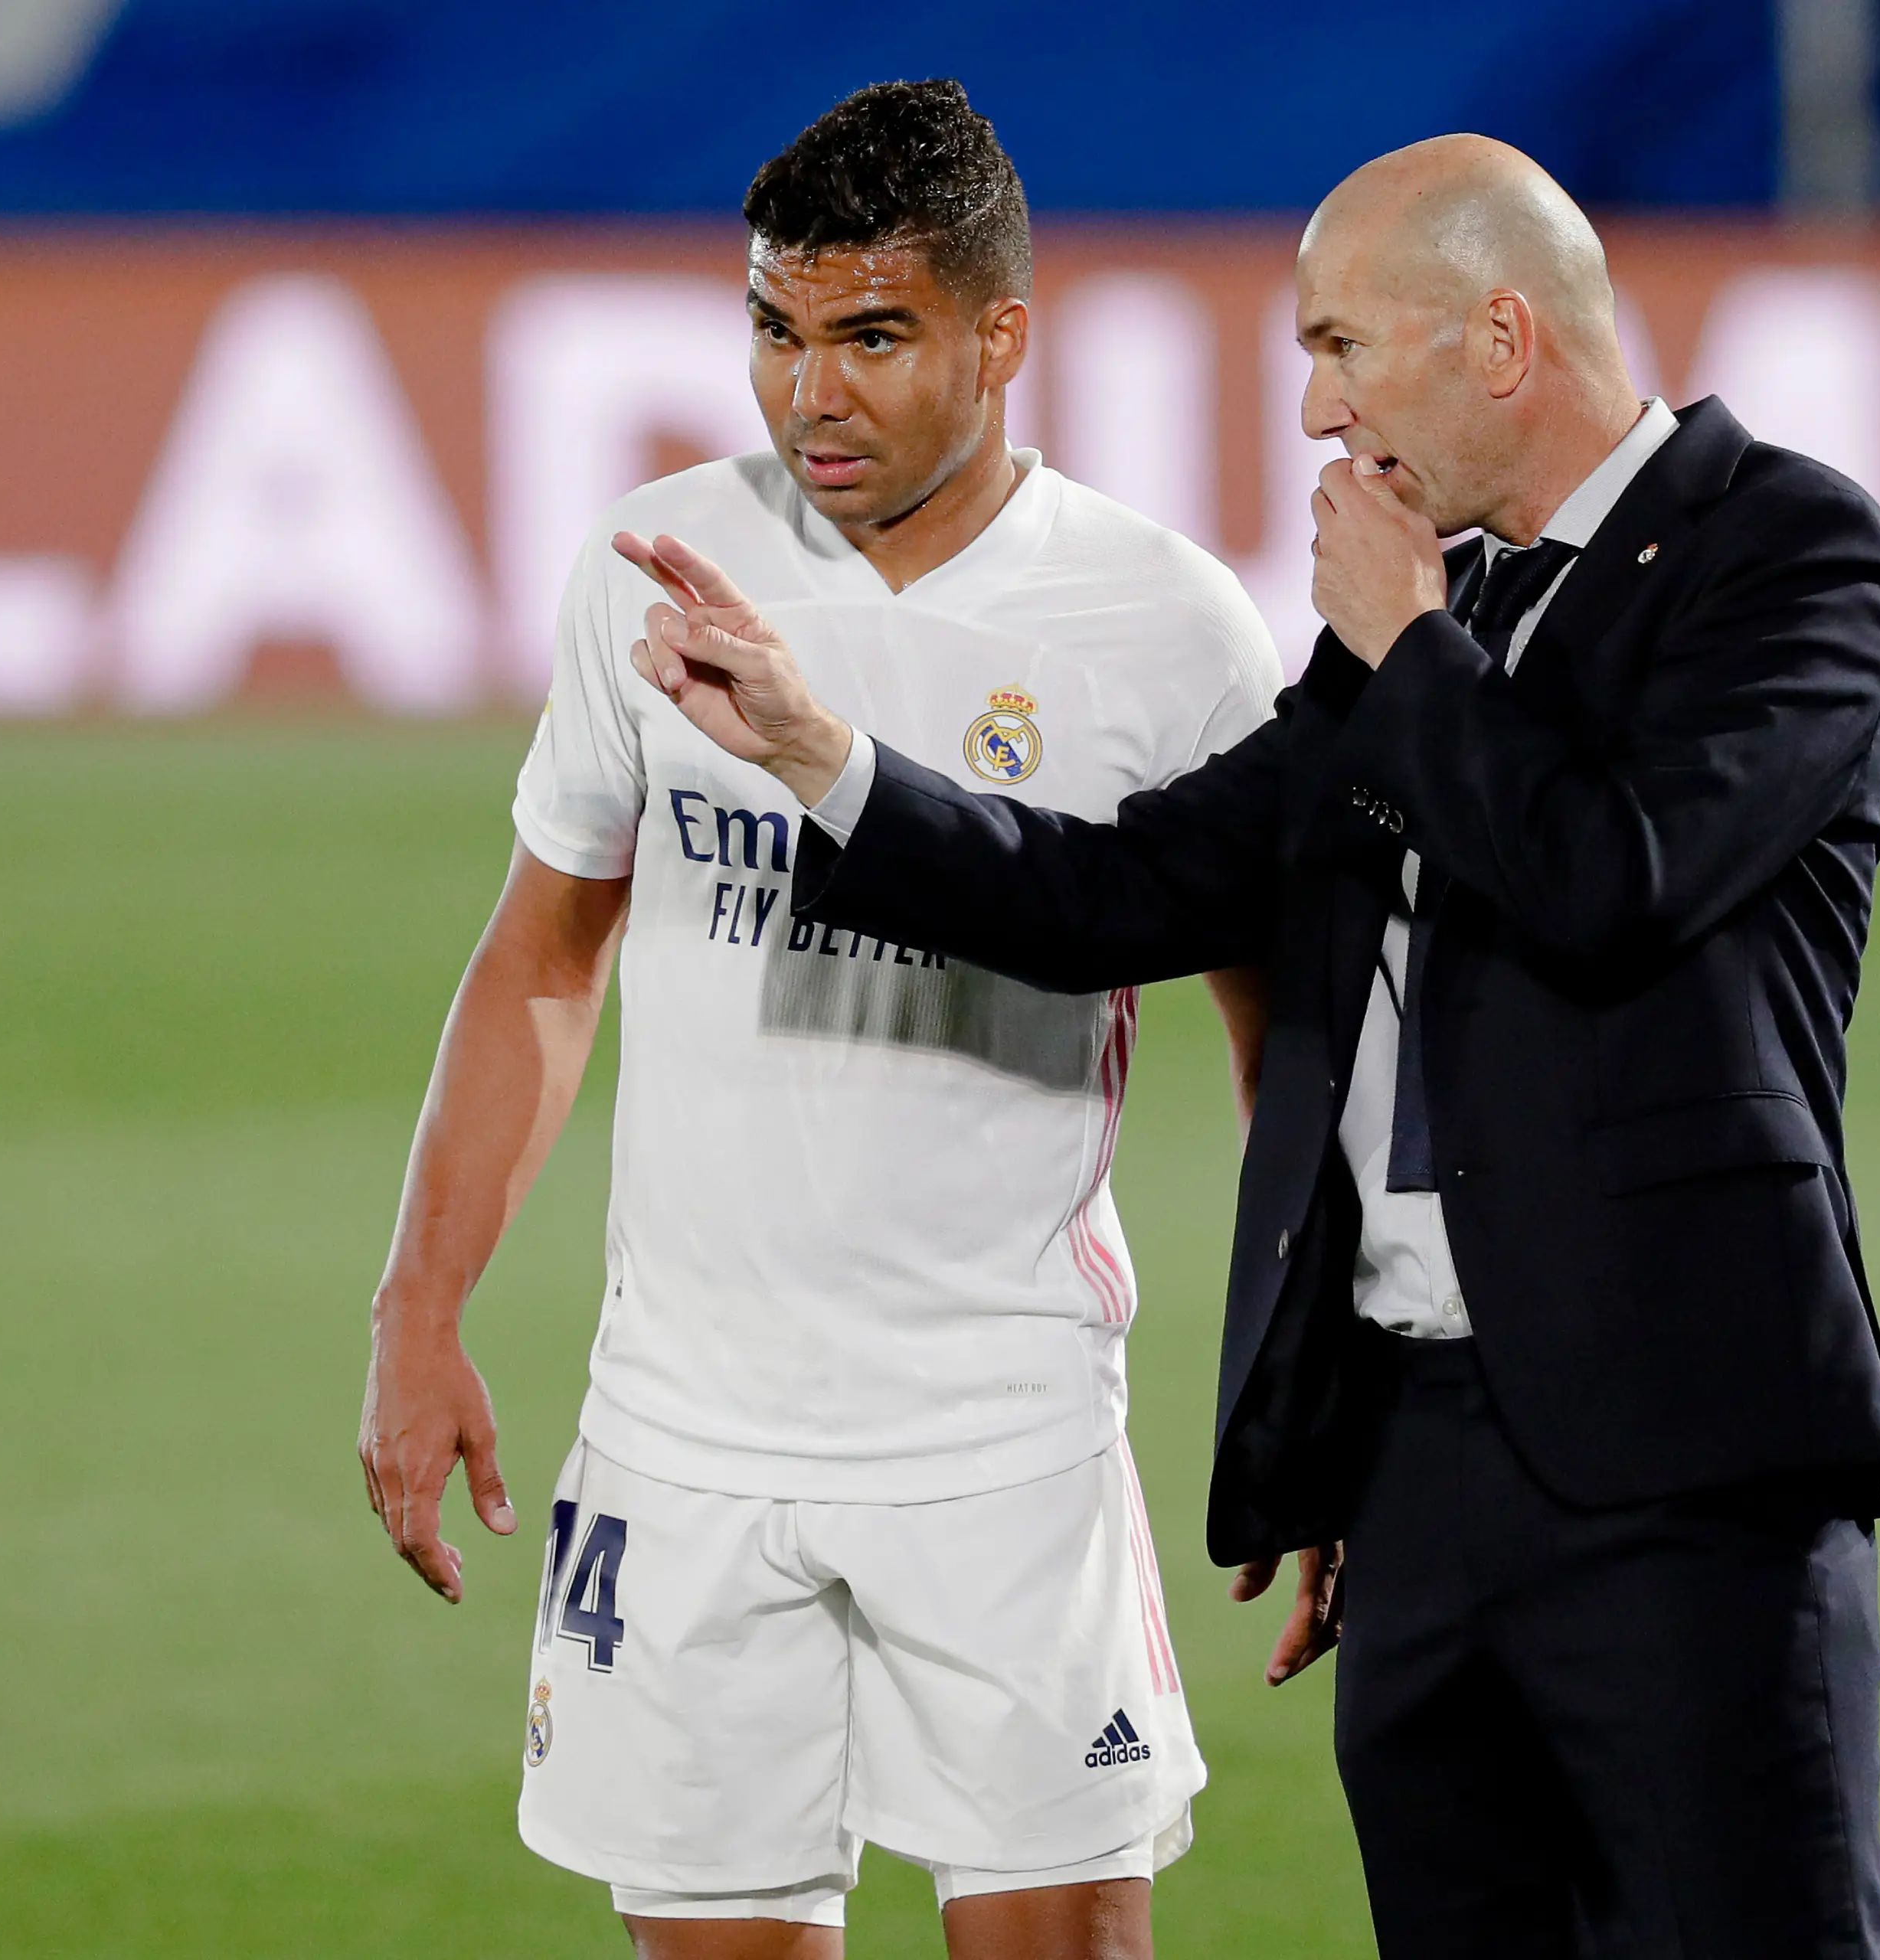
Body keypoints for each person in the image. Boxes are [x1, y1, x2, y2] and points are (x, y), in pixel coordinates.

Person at [622, 135, 1880, 1959]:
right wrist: (824, 757)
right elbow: (1127, 893)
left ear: (1499, 338)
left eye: (1340, 349)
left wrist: (1408, 644)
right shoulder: (1423, 626)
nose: (1315, 410)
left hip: (1682, 1465)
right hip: (1418, 1474)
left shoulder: (1778, 547)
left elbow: (1613, 881)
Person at [354, 80, 1281, 1960]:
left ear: (1001, 334)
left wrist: (1313, 1411)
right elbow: (545, 951)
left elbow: (1287, 1050)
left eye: (872, 336)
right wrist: (418, 1307)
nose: (810, 394)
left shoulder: (1163, 627)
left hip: (1003, 1427)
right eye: (776, 331)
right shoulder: (656, 569)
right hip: (684, 1434)